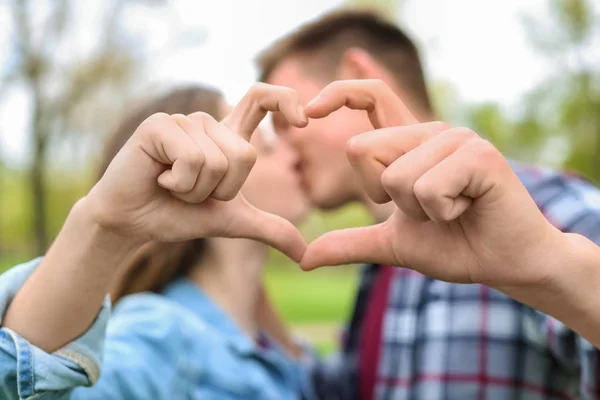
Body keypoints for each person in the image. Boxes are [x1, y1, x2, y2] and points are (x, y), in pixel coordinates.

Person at [258, 9, 600, 399]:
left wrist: (552, 268)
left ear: (354, 77)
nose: (282, 152)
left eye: (285, 122)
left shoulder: (545, 208)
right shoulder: (381, 268)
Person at [0, 83, 317, 399]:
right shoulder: (158, 335)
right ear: (188, 181)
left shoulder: (275, 342)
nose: (294, 157)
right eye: (266, 147)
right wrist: (103, 227)